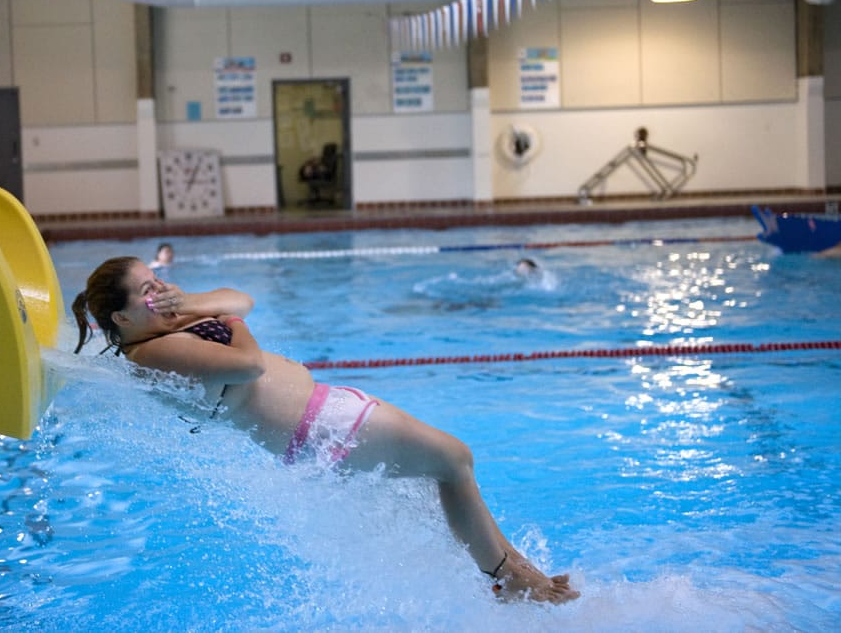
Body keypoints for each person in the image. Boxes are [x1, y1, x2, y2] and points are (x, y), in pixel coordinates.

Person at [71, 256, 580, 603]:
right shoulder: (154, 351)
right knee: (454, 459)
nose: (159, 289)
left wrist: (199, 304)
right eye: (146, 290)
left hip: (324, 415)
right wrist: (229, 323)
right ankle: (506, 581)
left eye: (155, 279)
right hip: (319, 429)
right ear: (121, 315)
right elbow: (245, 365)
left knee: (443, 475)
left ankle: (515, 569)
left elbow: (240, 297)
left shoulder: (166, 327)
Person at [752, 206, 841, 257]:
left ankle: (774, 223)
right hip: (819, 238)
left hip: (818, 227)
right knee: (800, 239)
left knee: (805, 225)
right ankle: (773, 228)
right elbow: (819, 256)